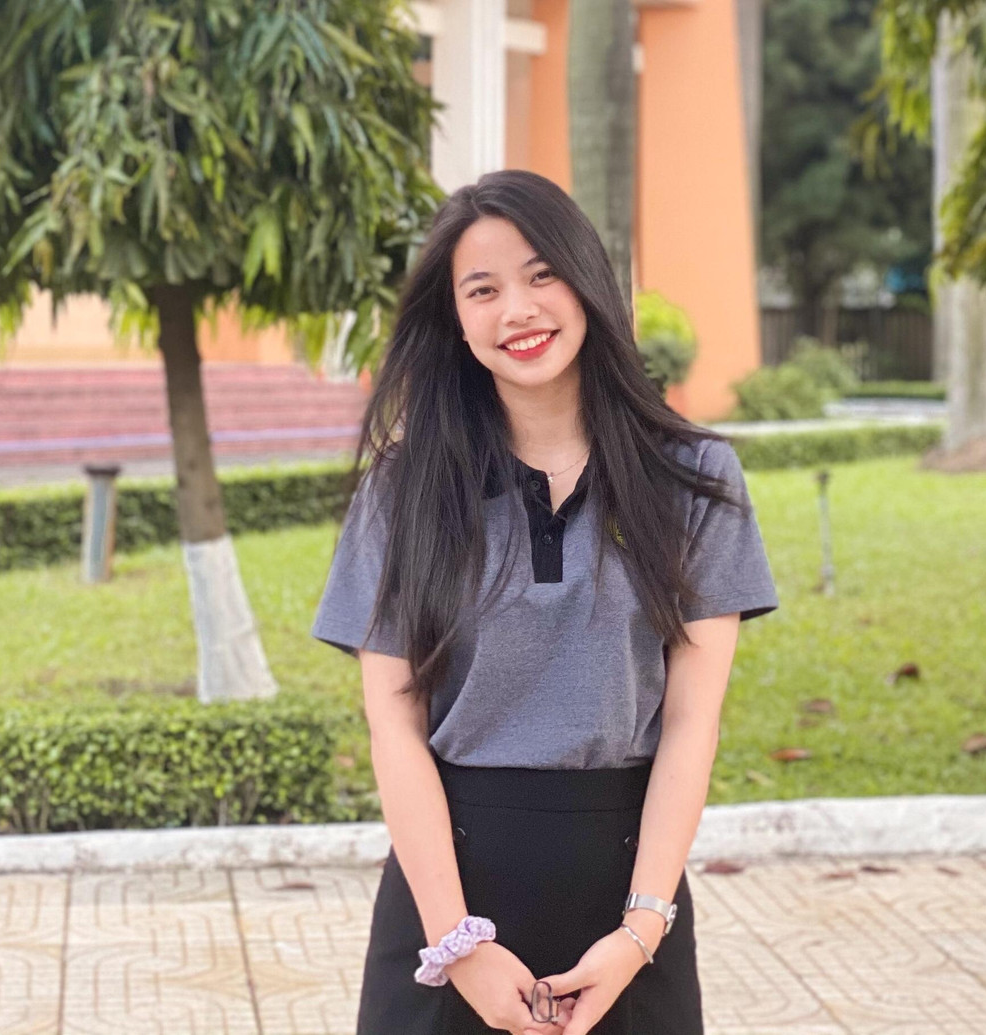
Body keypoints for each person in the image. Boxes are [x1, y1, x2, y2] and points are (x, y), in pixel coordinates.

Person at [313, 170, 777, 1035]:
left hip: (628, 908)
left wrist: (638, 934)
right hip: (445, 908)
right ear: (455, 318)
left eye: (541, 275)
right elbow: (394, 723)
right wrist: (458, 944)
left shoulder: (695, 478)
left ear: (586, 280)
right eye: (482, 289)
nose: (517, 310)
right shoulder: (403, 491)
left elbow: (690, 723)